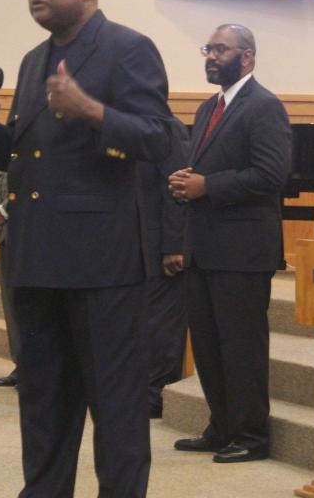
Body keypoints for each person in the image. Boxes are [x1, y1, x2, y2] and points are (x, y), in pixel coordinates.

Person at [0, 0, 172, 497]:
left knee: (116, 406)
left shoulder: (127, 48)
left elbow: (159, 138)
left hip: (102, 263)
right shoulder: (34, 61)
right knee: (45, 402)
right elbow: (27, 156)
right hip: (37, 258)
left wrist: (92, 110)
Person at [168, 24, 291, 463]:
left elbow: (272, 176)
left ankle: (251, 436)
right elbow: (205, 172)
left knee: (241, 347)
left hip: (243, 250)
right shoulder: (208, 108)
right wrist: (185, 182)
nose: (212, 56)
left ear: (248, 57)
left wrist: (208, 186)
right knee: (208, 345)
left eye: (221, 49)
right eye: (209, 48)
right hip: (204, 246)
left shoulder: (264, 106)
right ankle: (221, 427)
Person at [137, 116, 190, 419]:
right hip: (134, 245)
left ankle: (157, 394)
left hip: (161, 247)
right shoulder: (128, 125)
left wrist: (174, 245)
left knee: (162, 326)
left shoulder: (167, 127)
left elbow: (177, 188)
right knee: (143, 323)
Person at [0, 172, 19, 388]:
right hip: (6, 232)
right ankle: (21, 364)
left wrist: (5, 208)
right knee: (11, 304)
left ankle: (33, 366)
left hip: (31, 229)